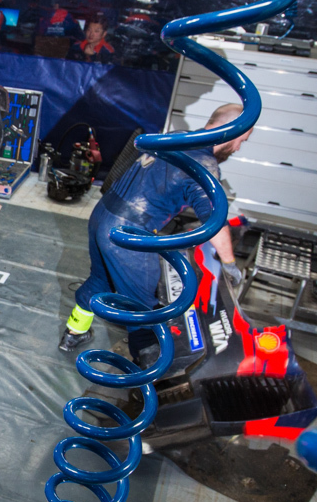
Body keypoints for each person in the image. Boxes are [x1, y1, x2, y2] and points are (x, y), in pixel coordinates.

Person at [60, 103, 248, 354]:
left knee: (100, 279)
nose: (238, 148)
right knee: (143, 308)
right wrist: (229, 264)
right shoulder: (203, 165)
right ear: (231, 131)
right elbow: (215, 222)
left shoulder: (176, 137)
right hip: (129, 233)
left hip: (102, 214)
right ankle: (147, 366)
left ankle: (73, 333)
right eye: (241, 140)